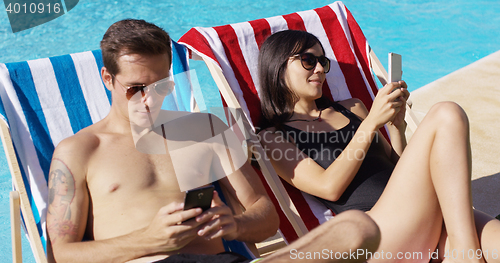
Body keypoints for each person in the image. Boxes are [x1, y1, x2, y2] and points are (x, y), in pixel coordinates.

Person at [47, 20, 381, 263]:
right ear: (108, 79)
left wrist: (234, 225)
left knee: (355, 227)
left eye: (161, 86)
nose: (149, 100)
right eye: (135, 88)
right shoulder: (80, 151)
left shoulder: (204, 130)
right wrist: (148, 239)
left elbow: (266, 218)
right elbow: (62, 254)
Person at [257, 30, 500, 263]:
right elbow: (328, 187)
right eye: (308, 60)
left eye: (323, 61)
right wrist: (371, 123)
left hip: (423, 216)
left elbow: (399, 171)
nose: (320, 69)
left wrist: (397, 129)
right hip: (377, 236)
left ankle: (462, 252)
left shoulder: (352, 108)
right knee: (446, 113)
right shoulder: (273, 137)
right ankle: (466, 254)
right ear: (278, 68)